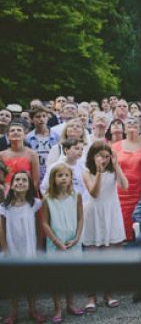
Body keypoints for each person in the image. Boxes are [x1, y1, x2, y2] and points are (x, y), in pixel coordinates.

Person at [82, 141, 128, 311]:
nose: (104, 159)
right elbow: (94, 193)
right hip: (94, 214)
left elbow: (124, 185)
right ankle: (91, 296)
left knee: (110, 257)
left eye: (107, 156)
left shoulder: (113, 170)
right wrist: (99, 172)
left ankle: (109, 293)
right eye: (100, 155)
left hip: (112, 213)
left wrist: (116, 166)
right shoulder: (87, 172)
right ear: (93, 156)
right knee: (92, 259)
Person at [41, 163, 85, 322]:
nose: (63, 178)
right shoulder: (47, 199)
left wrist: (77, 237)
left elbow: (80, 218)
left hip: (73, 242)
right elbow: (45, 223)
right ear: (53, 179)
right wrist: (56, 241)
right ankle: (58, 308)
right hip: (56, 244)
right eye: (60, 175)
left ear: (71, 178)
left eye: (66, 175)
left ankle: (71, 304)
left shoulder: (76, 196)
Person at [0, 171, 46, 323]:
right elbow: (2, 229)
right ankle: (13, 313)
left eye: (24, 180)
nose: (20, 182)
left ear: (29, 185)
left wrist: (39, 248)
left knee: (30, 282)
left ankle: (33, 310)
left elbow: (39, 227)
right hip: (13, 249)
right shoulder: (4, 207)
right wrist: (5, 250)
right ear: (12, 185)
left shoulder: (34, 203)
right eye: (17, 180)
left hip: (29, 249)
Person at [113, 116, 141, 242]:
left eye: (135, 122)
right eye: (129, 123)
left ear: (140, 128)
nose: (132, 124)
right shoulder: (115, 147)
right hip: (119, 192)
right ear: (124, 128)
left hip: (140, 192)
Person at [41, 138, 89, 205]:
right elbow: (45, 187)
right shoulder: (55, 167)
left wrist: (82, 204)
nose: (80, 151)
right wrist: (52, 202)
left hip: (78, 204)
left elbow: (86, 189)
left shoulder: (84, 168)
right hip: (59, 204)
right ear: (66, 150)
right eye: (76, 148)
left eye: (82, 149)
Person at [0, 120, 40, 196]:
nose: (15, 132)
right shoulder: (1, 155)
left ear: (24, 135)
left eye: (19, 130)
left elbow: (36, 181)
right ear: (8, 136)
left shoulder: (32, 154)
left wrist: (28, 195)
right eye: (12, 131)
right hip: (6, 194)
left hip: (27, 193)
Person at [26, 106, 59, 186]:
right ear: (32, 120)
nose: (41, 119)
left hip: (52, 172)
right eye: (38, 117)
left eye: (44, 116)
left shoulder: (56, 136)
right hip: (36, 172)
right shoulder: (28, 138)